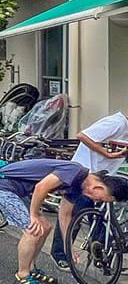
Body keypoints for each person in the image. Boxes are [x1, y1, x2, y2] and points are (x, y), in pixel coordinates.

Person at [0, 158, 128, 284]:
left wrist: (67, 247)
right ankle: (22, 275)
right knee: (33, 229)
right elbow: (41, 187)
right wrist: (33, 215)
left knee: (45, 226)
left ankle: (31, 268)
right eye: (100, 198)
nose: (95, 200)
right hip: (1, 186)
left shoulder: (78, 187)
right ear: (99, 187)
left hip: (17, 191)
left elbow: (65, 215)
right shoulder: (74, 171)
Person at [51, 111, 128, 271]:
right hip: (83, 171)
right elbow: (83, 136)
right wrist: (106, 153)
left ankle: (101, 256)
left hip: (103, 176)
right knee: (75, 213)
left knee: (100, 215)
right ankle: (60, 254)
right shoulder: (117, 122)